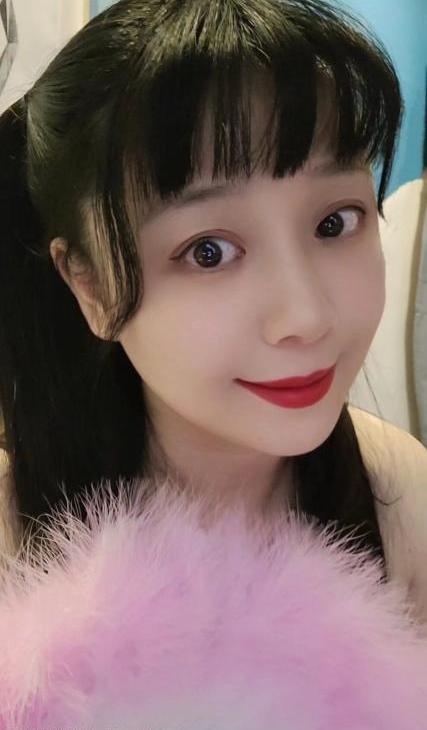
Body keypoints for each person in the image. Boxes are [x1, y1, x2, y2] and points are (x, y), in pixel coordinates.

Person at [1, 0, 427, 725]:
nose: (306, 317)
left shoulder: (399, 497)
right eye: (208, 252)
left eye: (334, 222)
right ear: (91, 286)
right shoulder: (13, 528)